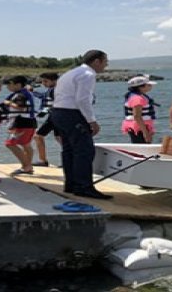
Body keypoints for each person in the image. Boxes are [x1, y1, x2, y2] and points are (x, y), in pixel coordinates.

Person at [51, 50, 112, 200]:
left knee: (69, 150)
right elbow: (82, 99)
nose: (106, 65)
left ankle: (71, 184)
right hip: (72, 114)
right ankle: (84, 186)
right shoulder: (88, 74)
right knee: (84, 151)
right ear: (97, 61)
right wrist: (92, 120)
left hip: (58, 112)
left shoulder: (71, 72)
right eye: (105, 61)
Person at [2, 76, 36, 176]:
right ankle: (27, 167)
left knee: (10, 143)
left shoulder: (21, 95)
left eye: (10, 84)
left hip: (22, 123)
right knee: (26, 144)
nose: (8, 86)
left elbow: (20, 108)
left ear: (18, 85)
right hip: (29, 122)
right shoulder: (24, 93)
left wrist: (7, 102)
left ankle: (27, 166)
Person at [31, 72, 60, 167]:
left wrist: (42, 113)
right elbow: (43, 96)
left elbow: (53, 104)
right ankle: (70, 160)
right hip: (57, 117)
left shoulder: (54, 90)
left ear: (54, 81)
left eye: (45, 81)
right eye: (42, 81)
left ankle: (43, 161)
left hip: (54, 117)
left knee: (38, 136)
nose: (43, 83)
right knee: (59, 138)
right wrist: (33, 91)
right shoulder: (53, 90)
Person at [121, 75, 158, 143]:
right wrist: (145, 133)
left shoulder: (140, 96)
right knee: (142, 146)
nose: (151, 86)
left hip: (142, 126)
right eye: (148, 85)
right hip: (138, 128)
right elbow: (137, 116)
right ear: (141, 87)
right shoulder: (137, 99)